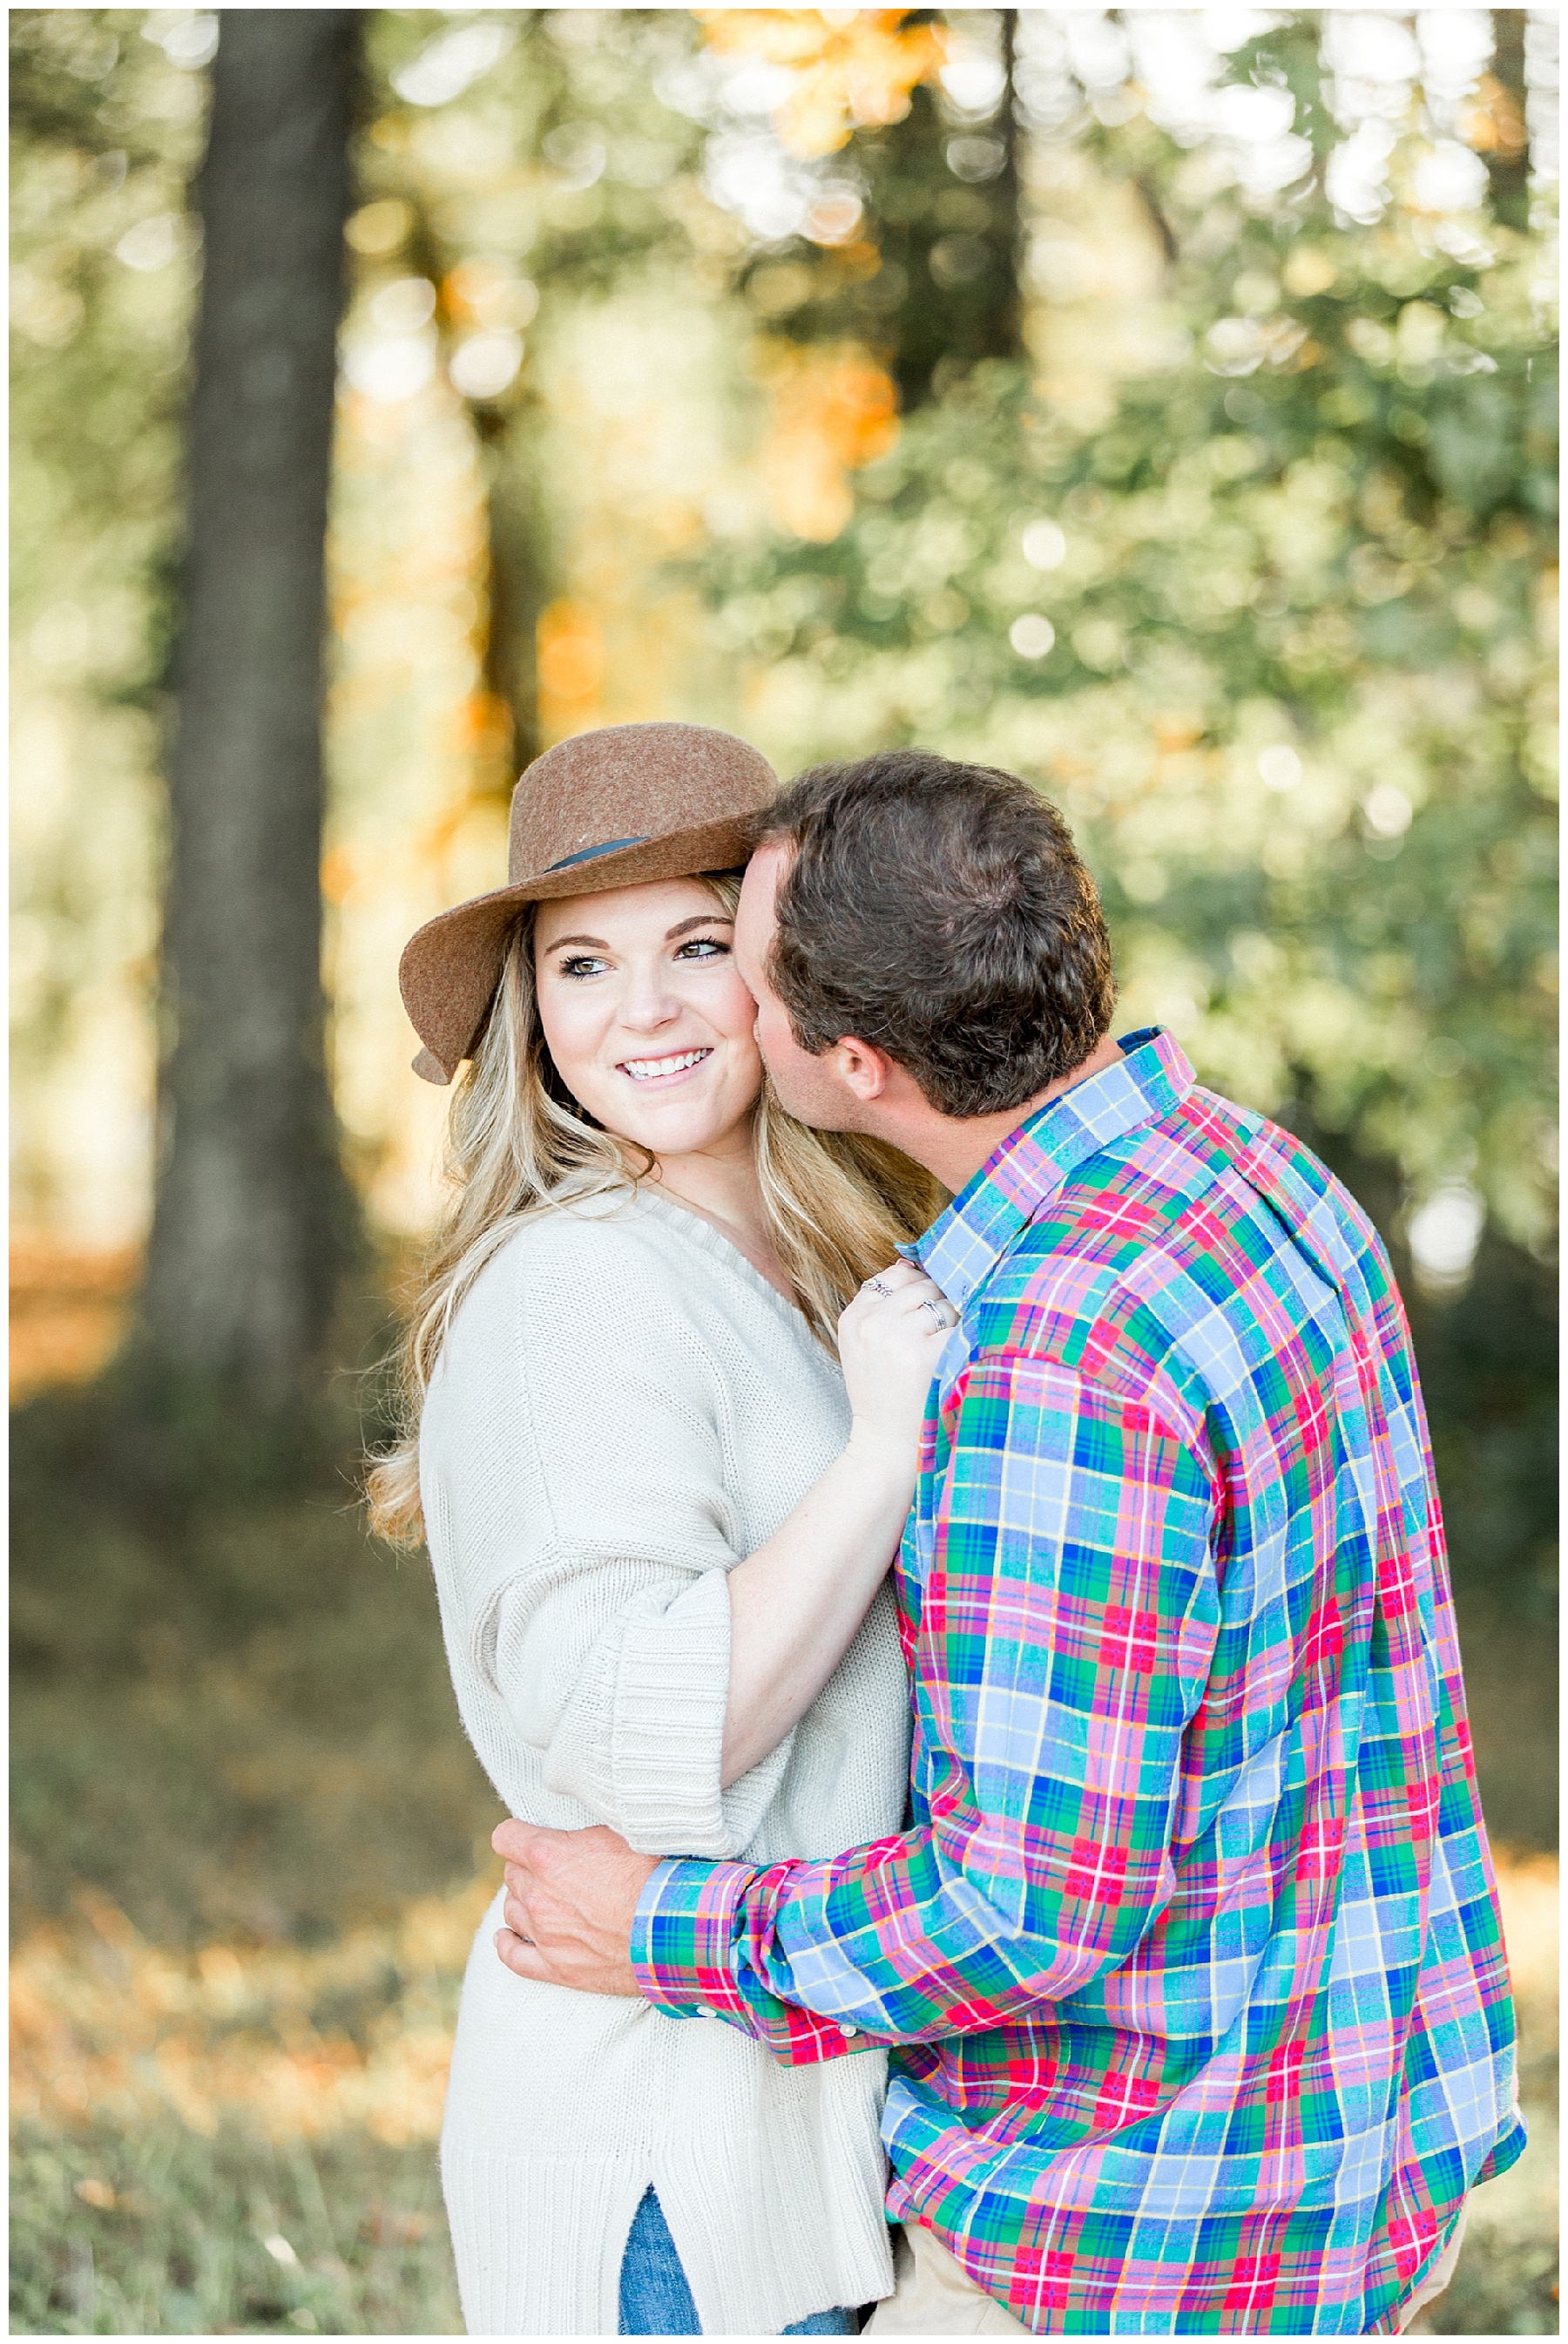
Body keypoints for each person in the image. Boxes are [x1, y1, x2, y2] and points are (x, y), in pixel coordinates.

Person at [492, 749, 1524, 2337]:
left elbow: (1022, 1906)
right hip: (1366, 2153)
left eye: (733, 972)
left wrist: (652, 1923)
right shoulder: (1261, 1181)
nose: (708, 1022)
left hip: (1145, 2234)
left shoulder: (1051, 1357)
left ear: (852, 1061)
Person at [368, 722, 956, 2336]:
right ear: (530, 1017)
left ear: (780, 975)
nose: (643, 1010)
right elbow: (651, 1740)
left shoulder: (815, 1275)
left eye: (698, 946)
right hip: (657, 2160)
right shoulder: (580, 1287)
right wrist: (888, 1450)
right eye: (581, 965)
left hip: (790, 2124)